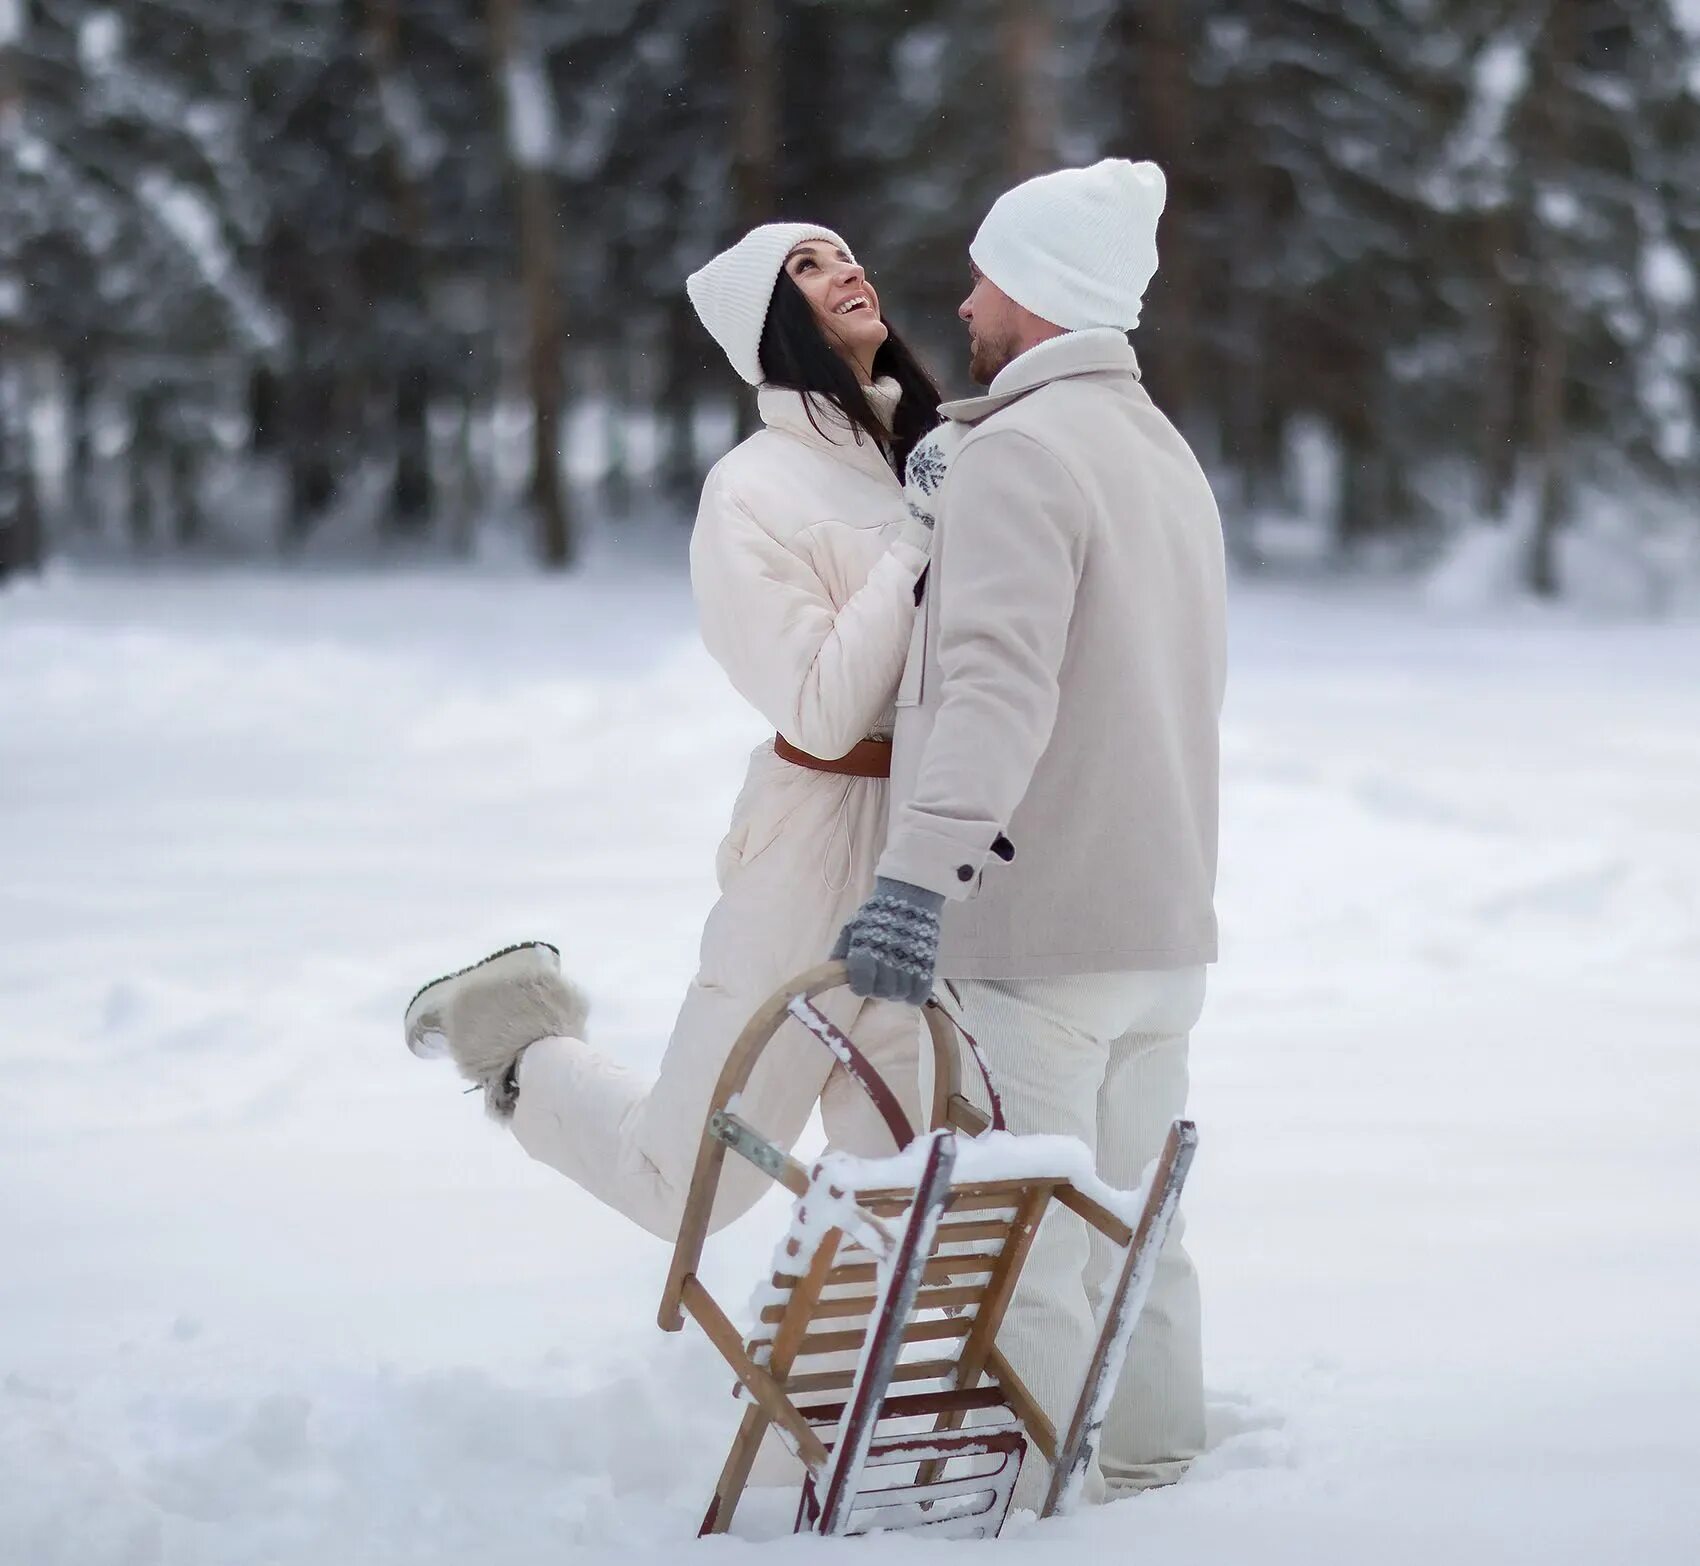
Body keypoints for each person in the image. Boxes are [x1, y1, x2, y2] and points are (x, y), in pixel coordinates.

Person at [405, 223, 945, 1241]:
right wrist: (918, 537)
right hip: (809, 846)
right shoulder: (749, 491)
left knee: (908, 1166)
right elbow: (821, 709)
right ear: (768, 323)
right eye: (808, 266)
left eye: (845, 254)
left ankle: (863, 1393)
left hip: (929, 846)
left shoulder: (927, 452)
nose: (848, 271)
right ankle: (516, 1036)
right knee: (690, 1184)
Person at [832, 160, 1228, 1506]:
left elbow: (997, 685)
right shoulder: (1158, 449)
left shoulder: (1023, 456)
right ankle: (1166, 1472)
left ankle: (1050, 1499)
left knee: (1040, 1242)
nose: (962, 299)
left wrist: (914, 876)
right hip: (1162, 922)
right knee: (1138, 1233)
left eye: (986, 276)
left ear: (1043, 296)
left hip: (1042, 934)